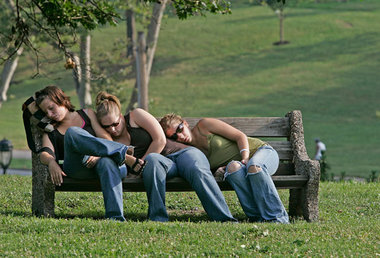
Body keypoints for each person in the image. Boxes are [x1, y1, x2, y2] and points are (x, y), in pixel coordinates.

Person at [95, 91, 236, 222]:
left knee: (197, 169)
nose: (113, 129)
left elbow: (160, 139)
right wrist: (142, 165)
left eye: (115, 123)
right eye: (107, 126)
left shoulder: (136, 116)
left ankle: (224, 218)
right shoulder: (108, 138)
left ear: (120, 116)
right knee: (153, 160)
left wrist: (139, 164)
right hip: (162, 163)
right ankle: (158, 218)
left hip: (183, 153)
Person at [160, 114, 289, 223]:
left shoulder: (204, 126)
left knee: (254, 167)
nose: (180, 136)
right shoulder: (192, 154)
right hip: (242, 166)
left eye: (179, 129)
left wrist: (245, 158)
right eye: (174, 137)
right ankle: (257, 218)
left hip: (261, 152)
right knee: (233, 169)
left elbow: (240, 136)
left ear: (185, 123)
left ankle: (278, 218)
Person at [35, 85, 137, 221]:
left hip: (106, 164)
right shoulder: (52, 129)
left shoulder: (87, 114)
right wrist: (52, 162)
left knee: (107, 162)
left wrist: (98, 155)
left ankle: (115, 218)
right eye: (45, 112)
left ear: (61, 99)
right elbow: (45, 154)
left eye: (51, 108)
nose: (49, 114)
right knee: (72, 132)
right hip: (78, 168)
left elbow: (106, 138)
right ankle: (122, 153)